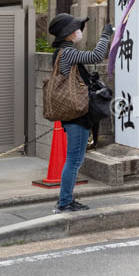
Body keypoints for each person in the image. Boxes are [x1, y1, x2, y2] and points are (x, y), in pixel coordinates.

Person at [47, 13, 113, 213]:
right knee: (74, 160)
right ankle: (64, 202)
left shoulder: (64, 52)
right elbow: (95, 56)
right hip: (76, 115)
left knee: (75, 159)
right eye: (76, 28)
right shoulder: (66, 52)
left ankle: (67, 199)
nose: (79, 32)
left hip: (75, 114)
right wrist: (105, 35)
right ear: (67, 34)